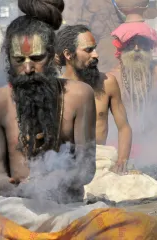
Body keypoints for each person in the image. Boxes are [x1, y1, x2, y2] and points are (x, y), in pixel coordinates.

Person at [0, 1, 157, 239]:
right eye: (19, 60)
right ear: (8, 60)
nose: (28, 68)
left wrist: (54, 180)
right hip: (17, 209)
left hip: (66, 211)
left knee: (141, 225)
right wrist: (16, 185)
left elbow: (86, 169)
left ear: (52, 57)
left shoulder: (79, 95)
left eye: (37, 58)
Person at [56, 25, 132, 173]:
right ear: (68, 54)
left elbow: (124, 127)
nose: (96, 55)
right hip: (65, 164)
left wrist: (122, 160)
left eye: (95, 49)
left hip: (100, 161)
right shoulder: (55, 89)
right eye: (88, 50)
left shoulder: (108, 83)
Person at [109, 21, 157, 133]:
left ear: (149, 47)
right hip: (124, 135)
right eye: (131, 44)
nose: (137, 48)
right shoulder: (113, 76)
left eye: (142, 43)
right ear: (122, 48)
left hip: (154, 136)